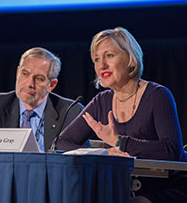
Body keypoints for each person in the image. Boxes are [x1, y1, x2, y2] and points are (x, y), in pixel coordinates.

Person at [56, 27, 187, 202]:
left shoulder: (158, 95)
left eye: (109, 56)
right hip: (127, 185)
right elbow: (63, 142)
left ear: (130, 58)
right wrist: (103, 154)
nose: (101, 65)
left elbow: (172, 151)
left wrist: (119, 142)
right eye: (96, 59)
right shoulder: (101, 102)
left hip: (170, 186)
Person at [0, 47, 84, 152]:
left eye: (39, 78)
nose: (29, 84)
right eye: (25, 74)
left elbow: (82, 155)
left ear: (52, 85)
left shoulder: (70, 112)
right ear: (17, 73)